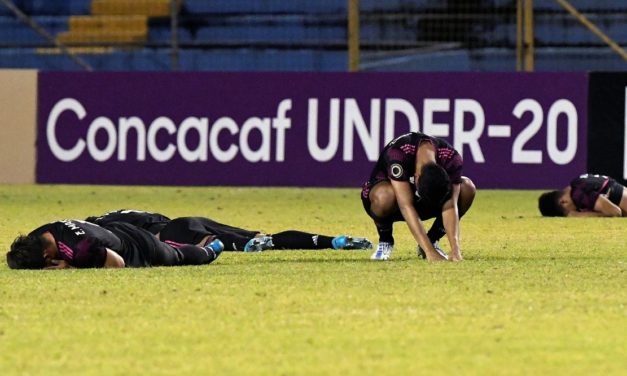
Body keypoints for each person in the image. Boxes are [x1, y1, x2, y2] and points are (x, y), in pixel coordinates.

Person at [361, 132, 476, 261]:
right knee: (385, 196)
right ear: (416, 176)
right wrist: (430, 252)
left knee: (467, 187)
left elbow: (451, 204)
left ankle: (432, 239)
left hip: (422, 205)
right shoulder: (398, 153)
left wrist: (455, 250)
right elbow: (406, 206)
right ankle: (385, 241)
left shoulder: (451, 158)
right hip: (392, 202)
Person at [85, 209, 373, 252]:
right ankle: (332, 240)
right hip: (189, 220)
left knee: (259, 246)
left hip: (176, 232)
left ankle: (333, 241)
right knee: (266, 239)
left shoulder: (107, 226)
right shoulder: (128, 211)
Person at [6, 219, 223, 269]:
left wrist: (71, 267)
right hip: (112, 229)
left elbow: (118, 264)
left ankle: (211, 249)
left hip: (136, 245)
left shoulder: (79, 250)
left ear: (46, 256)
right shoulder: (39, 234)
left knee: (176, 257)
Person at [538, 173, 627, 217]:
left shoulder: (578, 194)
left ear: (563, 202)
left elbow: (616, 212)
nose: (577, 210)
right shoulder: (579, 182)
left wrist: (579, 215)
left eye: (565, 212)